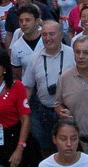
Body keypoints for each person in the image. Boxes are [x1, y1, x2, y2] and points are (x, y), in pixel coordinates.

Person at [22, 18, 74, 155]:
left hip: (68, 112)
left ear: (61, 35)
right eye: (44, 35)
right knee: (47, 149)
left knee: (70, 147)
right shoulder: (35, 58)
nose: (47, 38)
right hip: (43, 113)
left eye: (52, 34)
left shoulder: (73, 54)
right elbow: (28, 87)